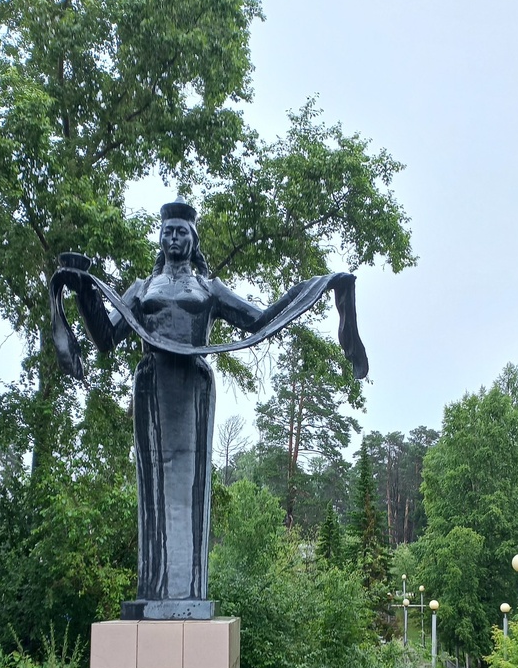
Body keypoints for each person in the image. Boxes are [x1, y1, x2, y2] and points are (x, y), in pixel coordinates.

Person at [50, 198, 367, 619]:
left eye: (181, 231)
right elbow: (106, 337)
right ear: (160, 238)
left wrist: (316, 286)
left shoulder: (209, 289)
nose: (174, 237)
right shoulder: (141, 289)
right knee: (152, 484)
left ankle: (188, 591)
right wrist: (83, 289)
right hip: (151, 385)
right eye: (168, 231)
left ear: (193, 238)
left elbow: (257, 320)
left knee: (192, 483)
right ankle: (153, 590)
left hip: (193, 386)